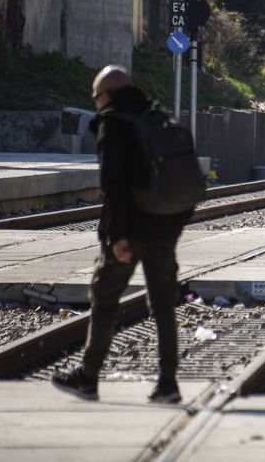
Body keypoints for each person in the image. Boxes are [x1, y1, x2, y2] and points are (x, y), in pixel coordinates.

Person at [52, 65, 192, 403]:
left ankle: (87, 378)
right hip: (163, 228)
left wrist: (118, 237)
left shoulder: (114, 121)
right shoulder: (156, 116)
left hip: (130, 231)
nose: (96, 102)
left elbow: (113, 185)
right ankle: (168, 385)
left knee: (105, 303)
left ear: (106, 94)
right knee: (162, 307)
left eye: (96, 96)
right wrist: (171, 227)